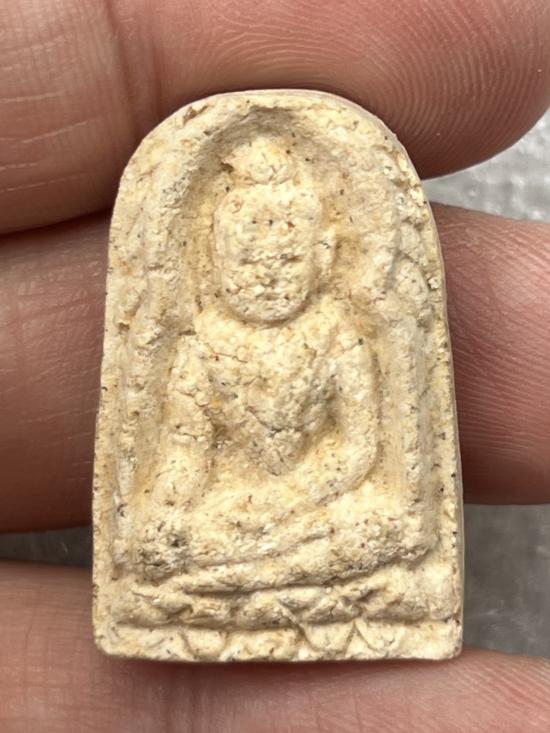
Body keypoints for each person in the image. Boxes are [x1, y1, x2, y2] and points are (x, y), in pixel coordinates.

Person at [0, 1, 549, 730]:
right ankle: (250, 590)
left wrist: (286, 507)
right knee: (150, 545)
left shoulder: (341, 339)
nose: (267, 274)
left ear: (323, 256)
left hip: (323, 515)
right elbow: (183, 461)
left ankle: (246, 594)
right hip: (237, 529)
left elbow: (360, 453)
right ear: (209, 257)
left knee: (395, 531)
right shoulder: (198, 350)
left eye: (286, 258)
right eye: (247, 257)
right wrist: (176, 515)